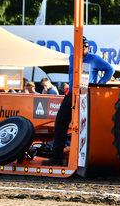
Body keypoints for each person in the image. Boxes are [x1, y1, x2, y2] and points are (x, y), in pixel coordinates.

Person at [45, 37, 115, 166]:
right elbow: (71, 74)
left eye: (85, 47)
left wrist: (99, 84)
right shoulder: (72, 57)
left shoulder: (93, 58)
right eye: (82, 46)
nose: (84, 49)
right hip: (72, 93)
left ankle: (83, 158)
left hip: (85, 94)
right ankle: (57, 158)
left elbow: (110, 69)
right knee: (60, 122)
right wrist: (69, 88)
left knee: (85, 125)